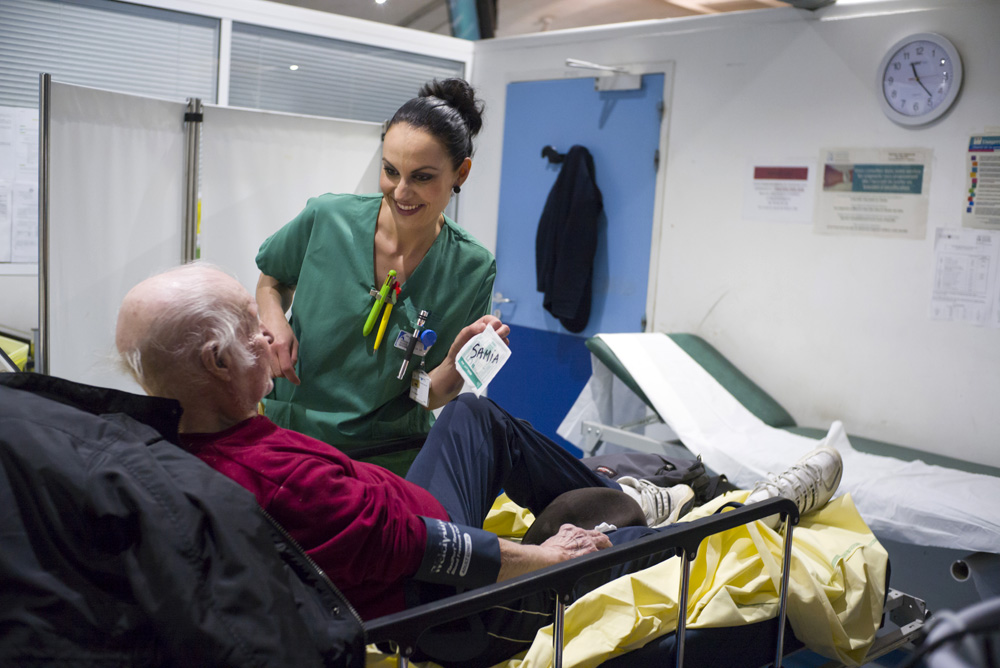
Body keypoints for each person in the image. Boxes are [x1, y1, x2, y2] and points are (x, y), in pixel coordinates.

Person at [115, 264, 845, 668]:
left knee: (472, 415)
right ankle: (736, 513)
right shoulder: (284, 479)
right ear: (216, 360)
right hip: (447, 609)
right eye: (254, 326)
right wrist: (542, 554)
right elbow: (436, 553)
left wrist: (444, 377)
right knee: (588, 545)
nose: (274, 334)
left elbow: (396, 505)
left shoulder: (196, 434)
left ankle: (635, 498)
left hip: (408, 530)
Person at [256, 78, 500, 475]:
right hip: (292, 438)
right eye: (390, 171)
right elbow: (271, 279)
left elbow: (427, 395)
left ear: (462, 173)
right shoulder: (327, 219)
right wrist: (274, 320)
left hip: (390, 460)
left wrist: (455, 363)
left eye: (421, 177)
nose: (400, 191)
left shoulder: (471, 269)